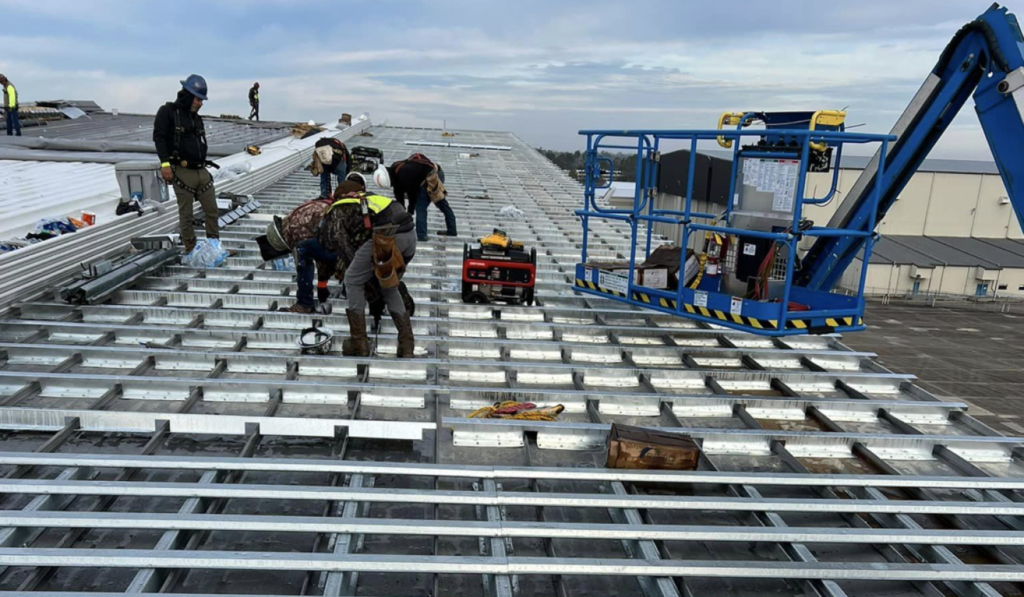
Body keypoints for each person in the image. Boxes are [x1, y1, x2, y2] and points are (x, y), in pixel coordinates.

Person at [323, 167, 418, 357]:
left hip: (387, 238)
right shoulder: (368, 198)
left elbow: (342, 246)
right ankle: (407, 344)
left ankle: (359, 342)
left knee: (352, 280)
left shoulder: (336, 210)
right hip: (410, 236)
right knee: (388, 285)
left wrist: (356, 273)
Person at [153, 74, 219, 254]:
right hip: (182, 171)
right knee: (186, 214)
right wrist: (165, 164)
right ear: (188, 95)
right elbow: (159, 138)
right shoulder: (168, 112)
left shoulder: (196, 118)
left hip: (200, 170)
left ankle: (214, 247)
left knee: (212, 210)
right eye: (198, 99)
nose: (200, 103)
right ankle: (191, 248)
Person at [387, 153, 456, 241]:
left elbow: (412, 193)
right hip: (428, 175)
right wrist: (405, 211)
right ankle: (452, 230)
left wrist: (410, 211)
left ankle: (421, 235)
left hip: (433, 176)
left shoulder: (404, 175)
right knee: (441, 203)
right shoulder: (397, 170)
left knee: (421, 206)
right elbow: (400, 196)